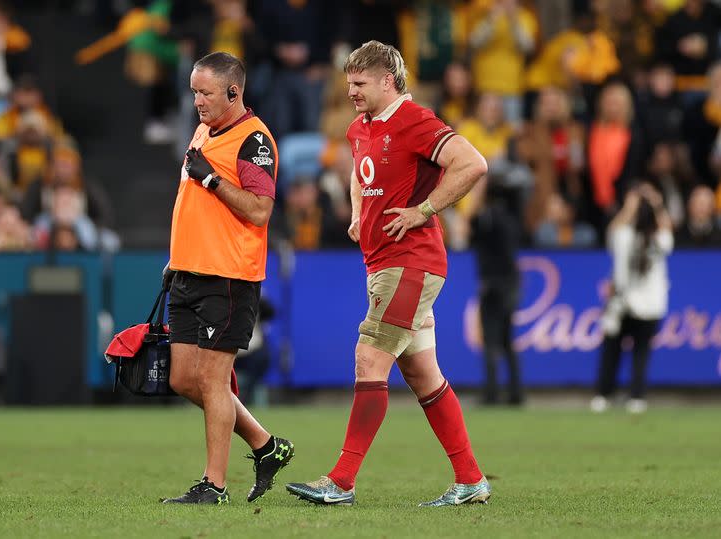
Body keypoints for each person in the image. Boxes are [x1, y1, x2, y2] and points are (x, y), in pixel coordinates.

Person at [285, 41, 490, 507]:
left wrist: (424, 209)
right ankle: (471, 480)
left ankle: (341, 481)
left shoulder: (416, 120)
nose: (351, 91)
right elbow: (360, 174)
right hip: (382, 264)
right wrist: (360, 213)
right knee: (423, 376)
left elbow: (473, 163)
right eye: (348, 83)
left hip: (411, 262)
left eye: (359, 83)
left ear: (388, 81)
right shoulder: (361, 129)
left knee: (368, 358)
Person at [159, 52, 294, 505]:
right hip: (188, 271)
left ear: (234, 92)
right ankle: (264, 444)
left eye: (206, 92)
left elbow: (259, 208)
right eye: (194, 90)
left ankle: (213, 486)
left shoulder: (254, 141)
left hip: (228, 276)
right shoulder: (203, 129)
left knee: (215, 381)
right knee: (182, 380)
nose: (197, 100)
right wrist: (177, 256)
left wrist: (213, 179)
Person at [591, 184, 673, 415]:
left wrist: (629, 206)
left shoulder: (624, 235)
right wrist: (656, 203)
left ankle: (603, 395)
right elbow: (668, 228)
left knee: (612, 351)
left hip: (623, 302)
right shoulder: (659, 237)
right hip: (648, 305)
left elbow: (614, 228)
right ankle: (636, 397)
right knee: (640, 351)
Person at [469, 179, 524, 406]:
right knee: (507, 341)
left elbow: (470, 220)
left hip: (493, 285)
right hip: (511, 285)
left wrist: (477, 191)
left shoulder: (489, 218)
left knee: (491, 341)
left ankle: (491, 393)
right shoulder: (512, 218)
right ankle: (515, 394)